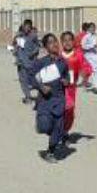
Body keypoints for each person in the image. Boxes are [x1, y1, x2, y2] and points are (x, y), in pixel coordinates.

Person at [31, 32, 69, 161]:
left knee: (58, 128)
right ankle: (41, 125)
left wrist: (66, 81)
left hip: (59, 99)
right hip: (45, 100)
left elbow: (67, 77)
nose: (54, 45)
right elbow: (31, 78)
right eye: (51, 42)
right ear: (46, 47)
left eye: (56, 42)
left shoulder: (63, 63)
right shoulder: (40, 62)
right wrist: (41, 87)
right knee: (45, 126)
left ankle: (50, 152)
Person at [60, 29, 92, 135]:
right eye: (65, 40)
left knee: (69, 110)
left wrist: (85, 78)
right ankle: (57, 130)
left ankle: (65, 131)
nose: (67, 42)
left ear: (74, 42)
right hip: (57, 88)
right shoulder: (57, 55)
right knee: (58, 110)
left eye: (70, 40)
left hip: (70, 89)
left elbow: (86, 67)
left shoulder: (78, 55)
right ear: (61, 42)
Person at [11, 19, 39, 104]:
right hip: (21, 62)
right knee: (23, 80)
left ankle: (40, 93)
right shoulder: (19, 36)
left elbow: (37, 47)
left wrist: (33, 53)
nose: (26, 28)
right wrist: (14, 52)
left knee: (32, 80)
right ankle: (28, 97)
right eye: (24, 26)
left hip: (31, 63)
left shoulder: (33, 36)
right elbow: (14, 47)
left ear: (30, 27)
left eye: (28, 26)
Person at [78, 22, 97, 94]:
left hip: (95, 55)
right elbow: (83, 46)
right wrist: (92, 46)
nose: (93, 29)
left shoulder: (96, 36)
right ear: (89, 29)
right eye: (91, 27)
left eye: (94, 27)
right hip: (89, 56)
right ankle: (91, 85)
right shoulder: (86, 37)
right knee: (91, 71)